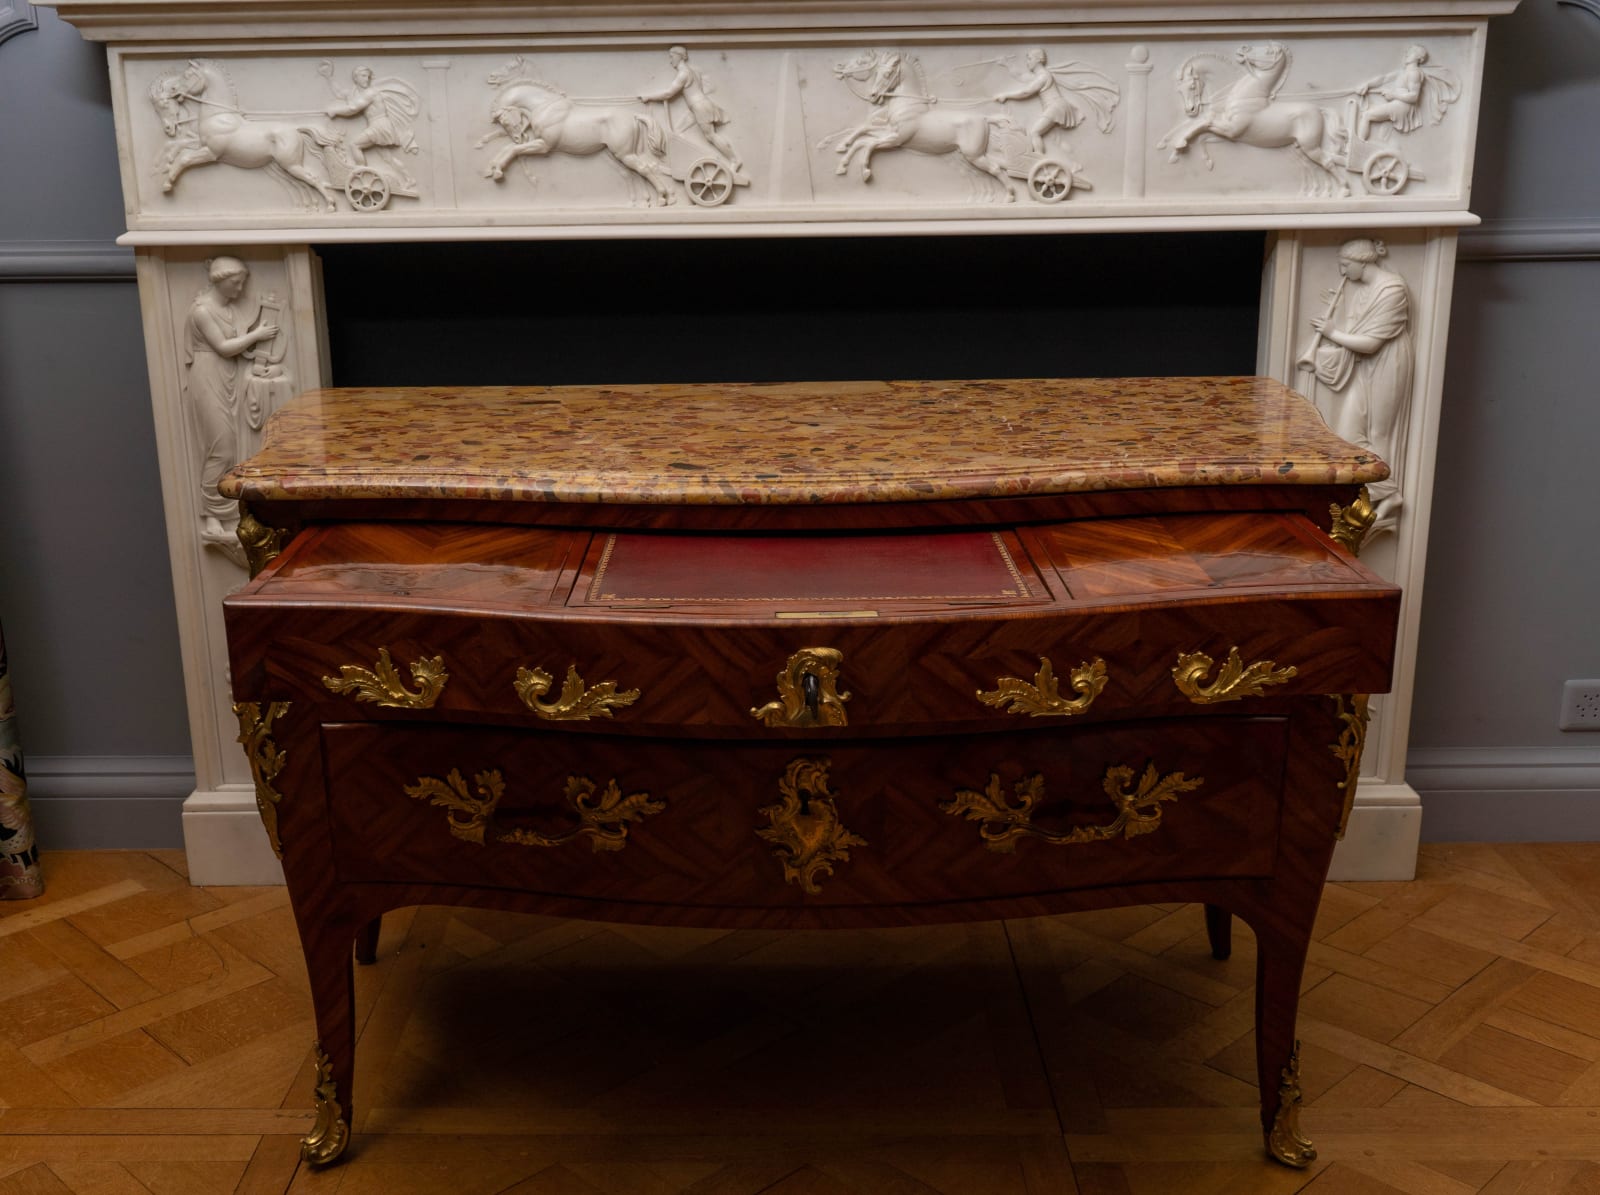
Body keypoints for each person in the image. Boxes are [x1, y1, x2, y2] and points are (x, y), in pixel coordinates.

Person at [1302, 239, 1414, 533]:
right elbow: (1357, 329)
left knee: (1378, 432)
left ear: (1362, 261)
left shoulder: (1392, 290)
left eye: (1345, 265)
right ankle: (1387, 491)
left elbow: (1371, 343)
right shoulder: (1363, 290)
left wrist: (1332, 332)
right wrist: (1336, 312)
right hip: (1364, 366)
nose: (1342, 271)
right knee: (1347, 433)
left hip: (1386, 364)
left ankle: (1382, 495)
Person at [184, 258, 278, 544]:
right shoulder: (202, 311)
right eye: (236, 283)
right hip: (208, 377)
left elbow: (239, 349)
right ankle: (211, 513)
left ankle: (234, 510)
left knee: (235, 448)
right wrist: (257, 335)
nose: (239, 289)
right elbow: (225, 348)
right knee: (219, 448)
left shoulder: (227, 309)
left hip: (228, 377)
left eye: (242, 284)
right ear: (221, 280)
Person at [640, 45, 742, 171]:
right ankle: (689, 158)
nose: (670, 61)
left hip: (699, 107)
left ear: (679, 56)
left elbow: (668, 93)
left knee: (710, 135)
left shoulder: (683, 74)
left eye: (671, 57)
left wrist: (649, 97)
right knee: (678, 132)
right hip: (695, 108)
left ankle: (734, 160)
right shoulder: (691, 71)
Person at [322, 63, 422, 189]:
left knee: (354, 145)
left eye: (368, 76)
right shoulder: (356, 93)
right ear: (355, 78)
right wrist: (329, 77)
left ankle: (362, 176)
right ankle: (409, 179)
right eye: (363, 76)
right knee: (388, 158)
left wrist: (335, 111)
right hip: (378, 125)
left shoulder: (370, 93)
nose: (366, 79)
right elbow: (340, 94)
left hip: (379, 125)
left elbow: (353, 108)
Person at [1355, 45, 1460, 140]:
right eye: (1408, 51)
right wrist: (1367, 85)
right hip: (1397, 103)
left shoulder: (1414, 73)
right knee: (1367, 116)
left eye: (1411, 52)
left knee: (1367, 115)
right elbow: (1384, 79)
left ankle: (1360, 145)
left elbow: (1414, 96)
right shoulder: (1403, 72)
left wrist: (1393, 95)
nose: (1407, 54)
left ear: (1419, 58)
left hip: (1403, 106)